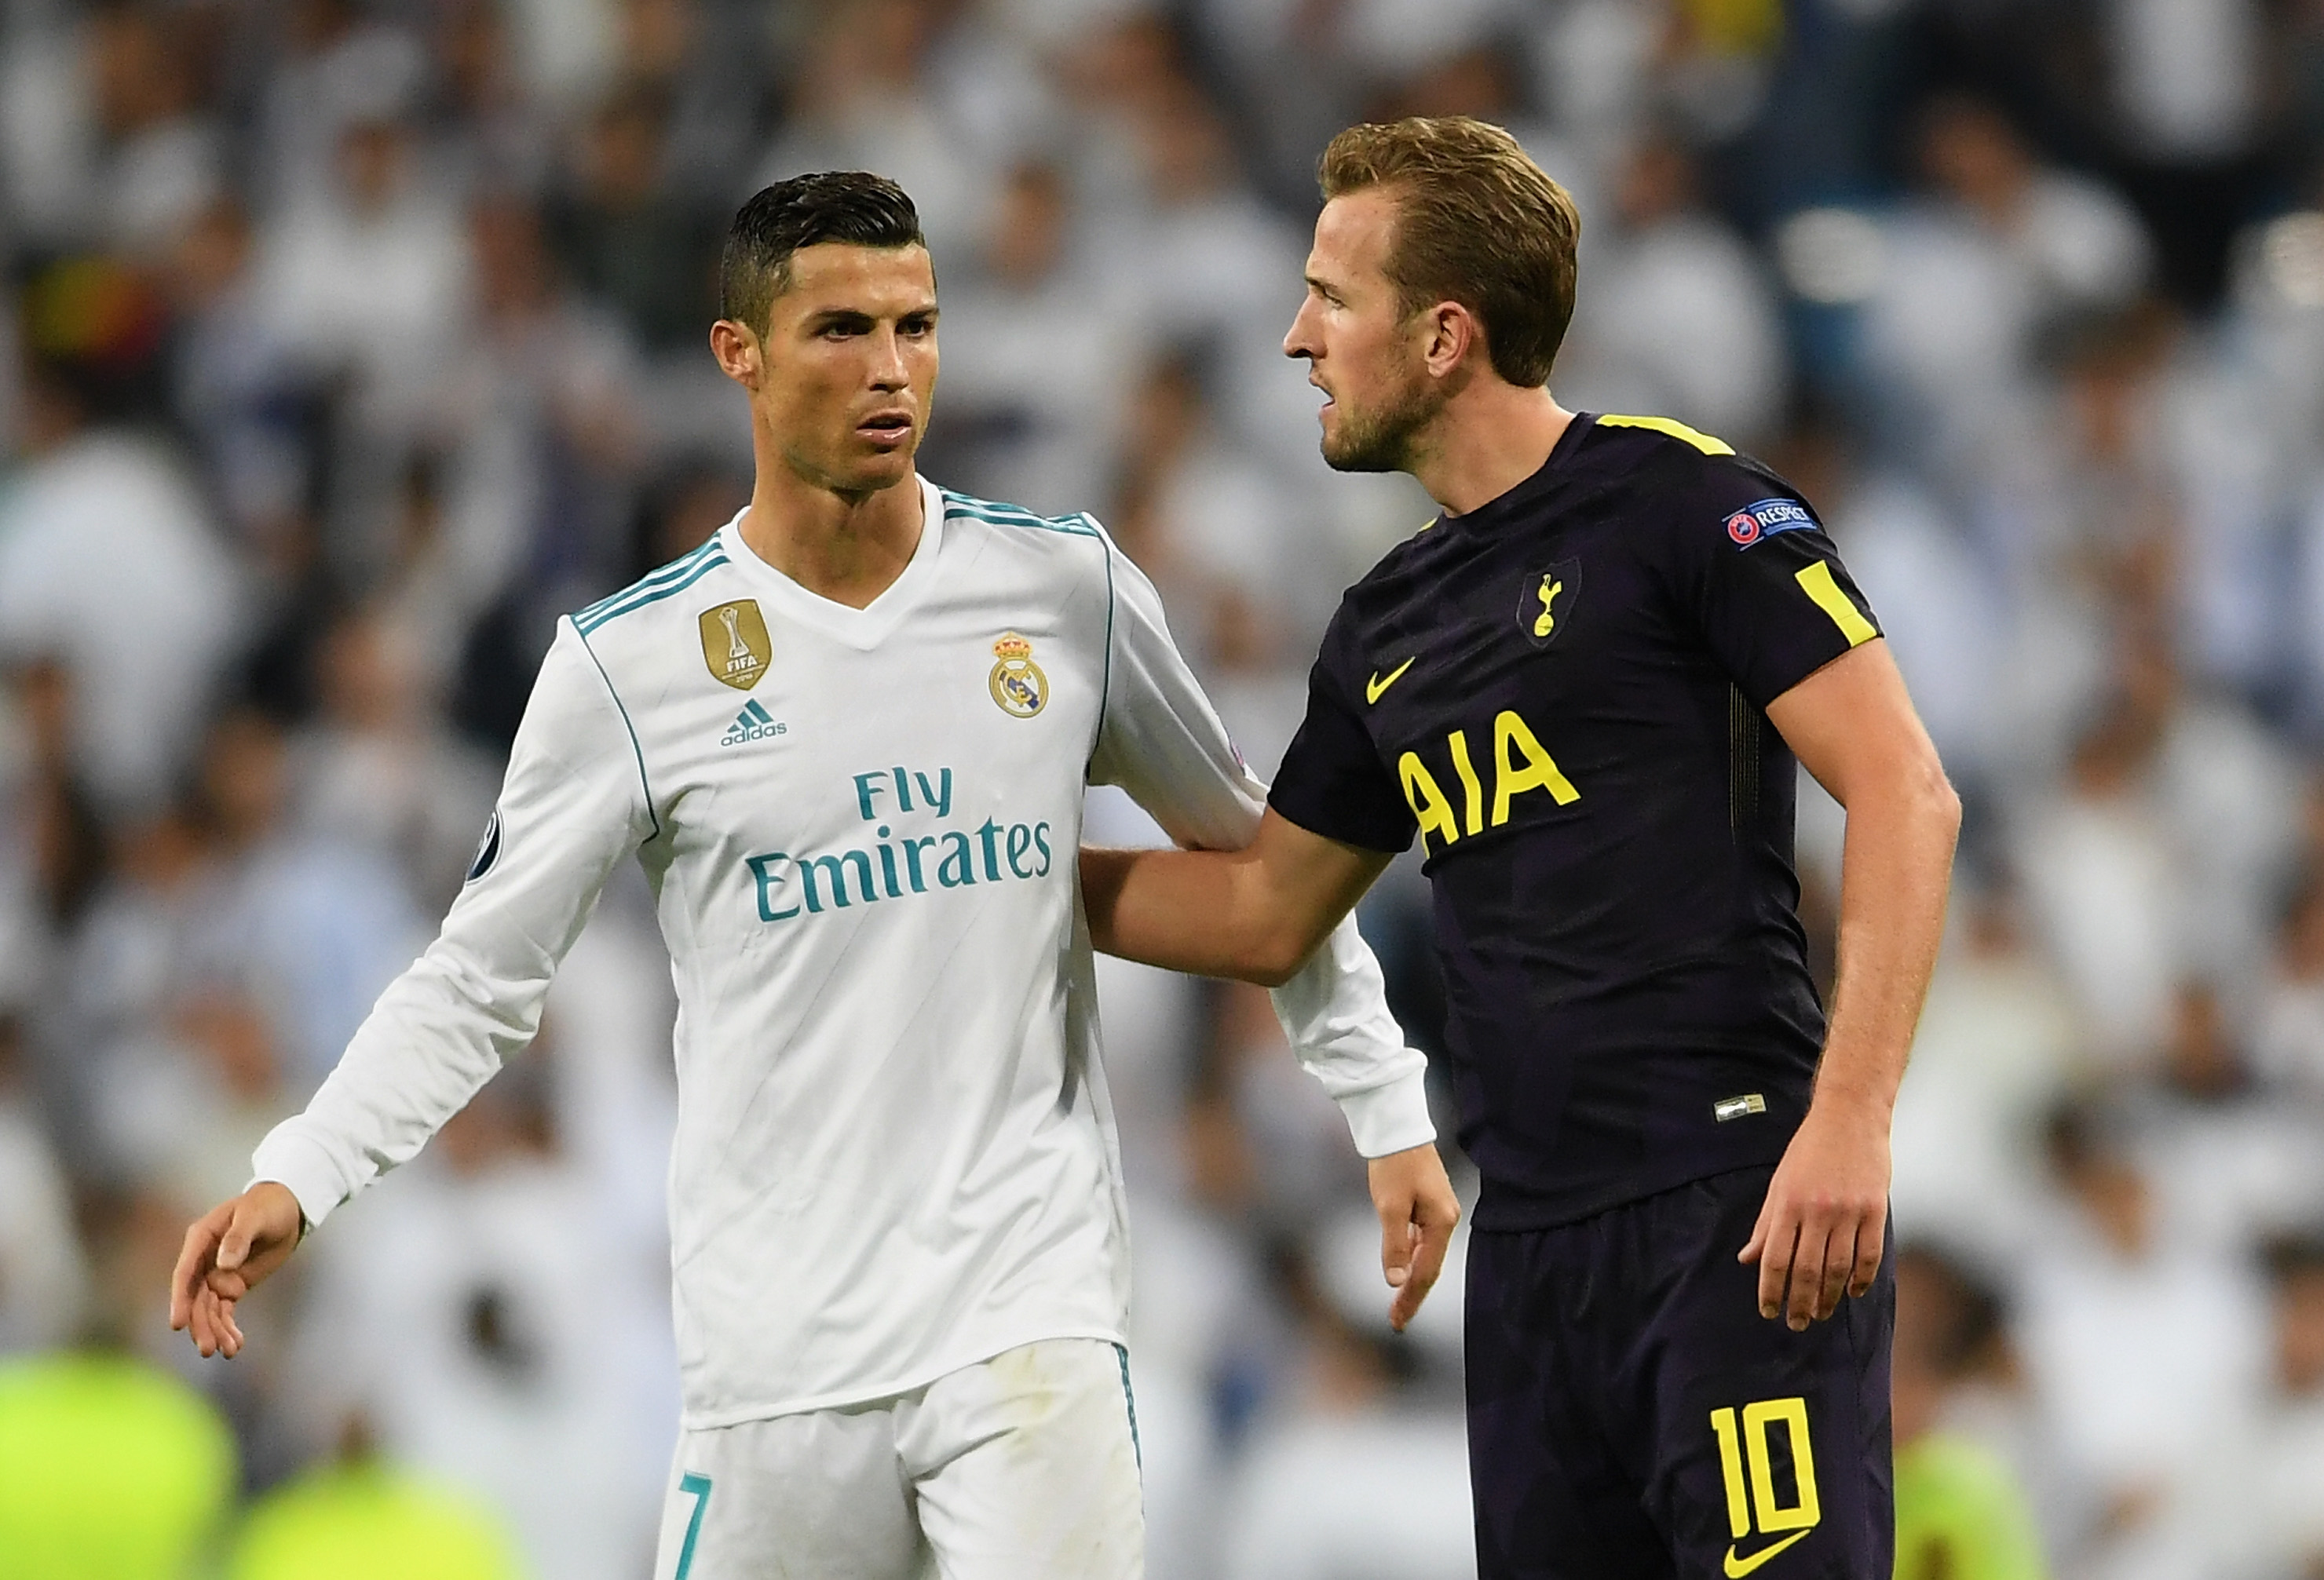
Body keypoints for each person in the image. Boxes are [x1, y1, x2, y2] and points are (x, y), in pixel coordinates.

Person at [169, 171, 1460, 1580]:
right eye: (842, 329)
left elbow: (1257, 855)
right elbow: (480, 978)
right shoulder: (633, 666)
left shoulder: (1060, 588)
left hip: (1023, 1315)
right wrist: (301, 1169)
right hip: (776, 1359)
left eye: (917, 325)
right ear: (741, 354)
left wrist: (1383, 1105)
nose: (892, 368)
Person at [1081, 116, 1960, 1579]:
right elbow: (1260, 912)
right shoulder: (1385, 625)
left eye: (1331, 299)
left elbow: (1907, 792)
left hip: (1733, 1217)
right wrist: (994, 870)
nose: (1297, 338)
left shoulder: (1682, 503)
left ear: (1442, 337)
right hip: (1534, 1256)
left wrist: (1853, 1118)